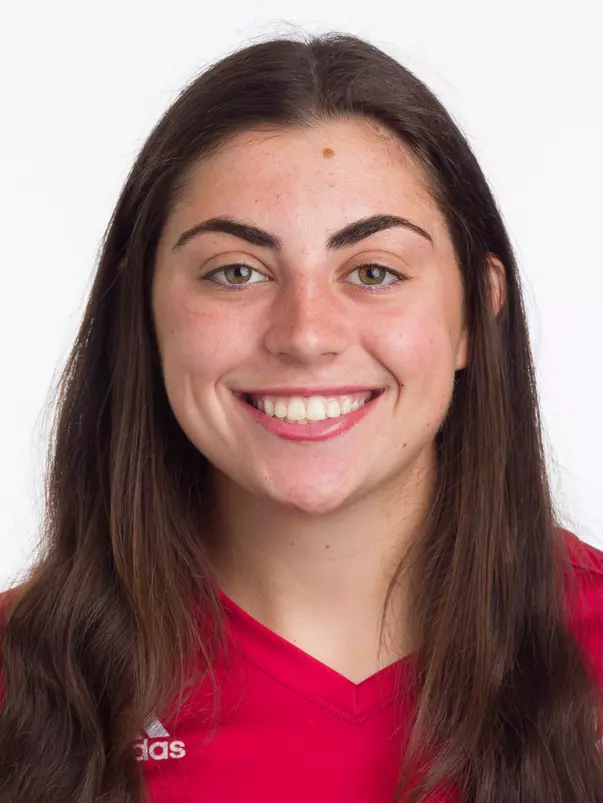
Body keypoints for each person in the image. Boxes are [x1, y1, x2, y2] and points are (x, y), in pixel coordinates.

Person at [0, 29, 602, 803]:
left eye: (374, 271)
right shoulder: (20, 684)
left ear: (474, 317)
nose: (305, 333)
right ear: (139, 315)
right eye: (235, 271)